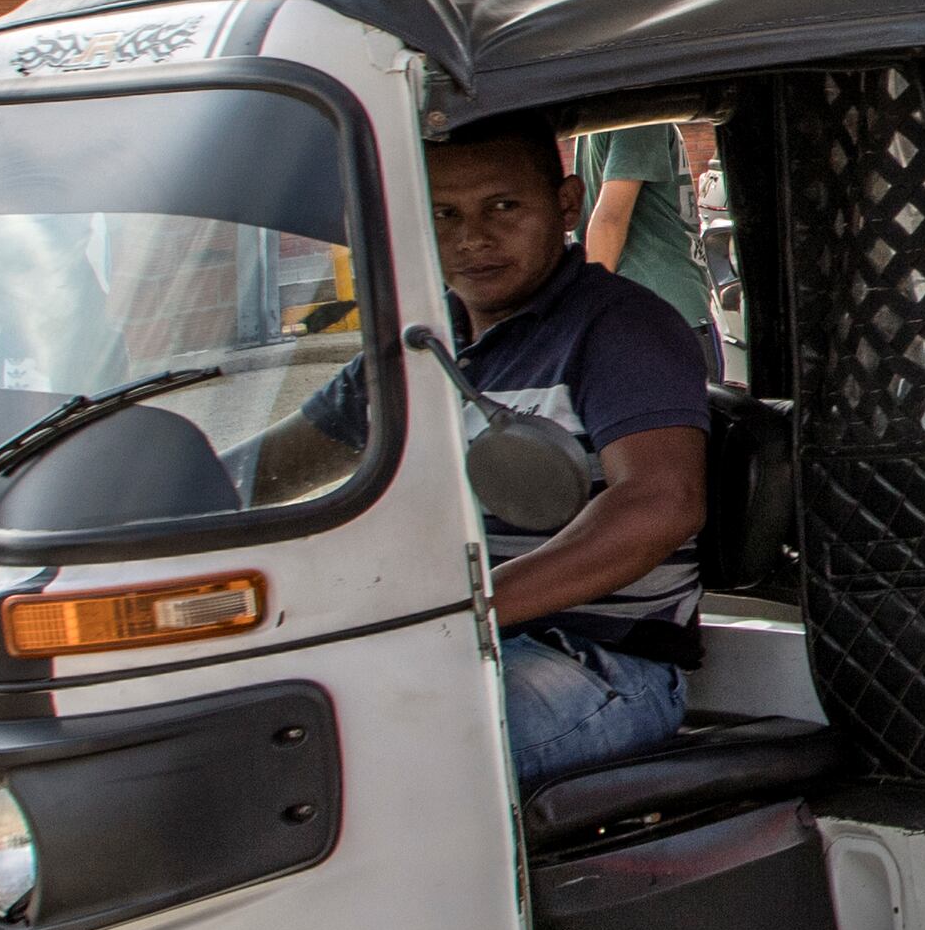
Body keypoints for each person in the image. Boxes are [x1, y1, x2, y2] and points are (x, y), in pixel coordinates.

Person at [269, 126, 712, 781]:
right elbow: (272, 469)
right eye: (444, 214)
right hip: (457, 644)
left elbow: (660, 503)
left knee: (386, 748)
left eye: (502, 207)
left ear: (567, 204)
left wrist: (466, 606)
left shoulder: (617, 328)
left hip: (601, 666)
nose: (472, 238)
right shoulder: (420, 342)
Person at [572, 122, 726, 376]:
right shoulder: (637, 113)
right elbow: (610, 219)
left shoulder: (593, 120)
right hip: (664, 315)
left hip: (645, 316)